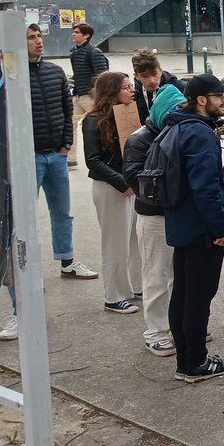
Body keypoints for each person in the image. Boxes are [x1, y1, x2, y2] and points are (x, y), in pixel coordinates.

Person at [163, 73, 224, 383]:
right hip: (201, 227)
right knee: (198, 296)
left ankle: (186, 358)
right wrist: (220, 227)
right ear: (202, 100)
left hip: (182, 222)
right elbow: (206, 187)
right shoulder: (200, 134)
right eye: (220, 96)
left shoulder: (177, 125)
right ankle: (195, 362)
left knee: (182, 293)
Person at [28, 24, 97, 290]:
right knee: (25, 217)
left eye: (39, 36)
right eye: (31, 38)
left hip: (55, 155)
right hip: (30, 158)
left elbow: (67, 110)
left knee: (62, 213)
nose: (38, 41)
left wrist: (66, 144)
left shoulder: (54, 72)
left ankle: (67, 262)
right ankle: (27, 270)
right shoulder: (13, 76)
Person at [123, 83, 187, 356]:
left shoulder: (178, 134)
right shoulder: (140, 139)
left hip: (176, 215)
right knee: (155, 275)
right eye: (175, 109)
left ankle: (177, 325)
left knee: (178, 275)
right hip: (153, 216)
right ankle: (156, 331)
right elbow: (133, 178)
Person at [82, 71, 142, 315]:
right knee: (115, 243)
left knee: (135, 240)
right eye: (126, 87)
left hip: (130, 185)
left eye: (130, 86)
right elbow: (93, 161)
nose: (131, 91)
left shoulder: (128, 113)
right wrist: (121, 182)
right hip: (110, 188)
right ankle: (113, 296)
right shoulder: (93, 120)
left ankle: (136, 286)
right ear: (112, 91)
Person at [68, 21, 109, 167]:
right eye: (74, 31)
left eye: (77, 32)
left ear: (86, 36)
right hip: (78, 95)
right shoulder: (74, 52)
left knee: (99, 126)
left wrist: (96, 95)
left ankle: (106, 155)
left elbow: (102, 76)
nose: (73, 34)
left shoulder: (94, 52)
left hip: (91, 97)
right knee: (69, 124)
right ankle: (71, 159)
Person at [130, 48, 181, 125]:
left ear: (160, 71)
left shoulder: (179, 89)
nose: (152, 81)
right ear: (136, 76)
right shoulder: (134, 95)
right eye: (145, 76)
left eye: (154, 74)